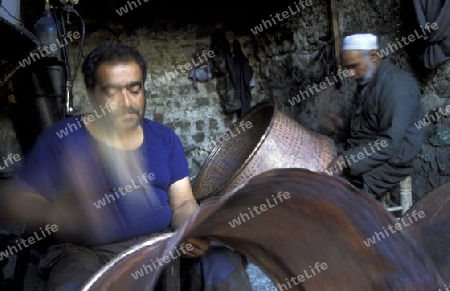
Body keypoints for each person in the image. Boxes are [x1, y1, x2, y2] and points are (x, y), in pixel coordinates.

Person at [1, 41, 252, 291]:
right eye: (112, 92)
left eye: (135, 89)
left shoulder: (165, 138)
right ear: (92, 94)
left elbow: (183, 202)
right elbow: (16, 202)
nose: (127, 102)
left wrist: (190, 229)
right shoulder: (63, 139)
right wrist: (61, 214)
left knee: (222, 262)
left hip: (159, 243)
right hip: (86, 253)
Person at [326, 33, 425, 199]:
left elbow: (390, 142)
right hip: (365, 150)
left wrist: (346, 160)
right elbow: (367, 126)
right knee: (318, 168)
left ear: (373, 56)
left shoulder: (397, 85)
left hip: (391, 161)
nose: (350, 73)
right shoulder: (368, 78)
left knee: (342, 199)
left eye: (354, 66)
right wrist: (339, 124)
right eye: (347, 68)